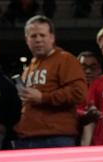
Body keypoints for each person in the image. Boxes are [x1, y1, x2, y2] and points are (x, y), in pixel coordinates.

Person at [14, 15, 86, 149]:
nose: (38, 40)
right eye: (33, 36)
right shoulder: (29, 68)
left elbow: (78, 92)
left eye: (42, 35)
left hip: (56, 136)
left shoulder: (65, 59)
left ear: (52, 37)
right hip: (28, 137)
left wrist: (42, 97)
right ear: (27, 40)